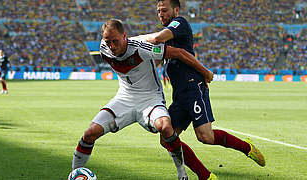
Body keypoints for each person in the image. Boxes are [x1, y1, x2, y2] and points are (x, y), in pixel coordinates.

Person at [72, 19, 213, 180]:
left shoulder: (140, 47)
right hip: (124, 98)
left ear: (124, 36)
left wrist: (205, 72)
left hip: (150, 99)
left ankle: (182, 173)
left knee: (166, 127)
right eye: (108, 41)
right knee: (89, 133)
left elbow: (179, 53)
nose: (111, 46)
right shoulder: (103, 48)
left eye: (115, 41)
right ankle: (74, 174)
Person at [141, 0, 266, 179]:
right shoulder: (169, 37)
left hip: (193, 88)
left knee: (205, 136)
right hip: (179, 95)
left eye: (165, 10)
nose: (161, 14)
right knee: (167, 137)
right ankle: (206, 176)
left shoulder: (179, 23)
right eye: (158, 11)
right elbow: (158, 56)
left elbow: (158, 39)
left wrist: (133, 40)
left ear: (176, 10)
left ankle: (247, 148)